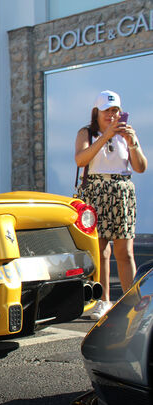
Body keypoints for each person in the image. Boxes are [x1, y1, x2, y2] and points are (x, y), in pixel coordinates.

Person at [75, 90, 147, 319]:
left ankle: (130, 301)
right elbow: (81, 159)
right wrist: (105, 136)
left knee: (125, 251)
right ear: (96, 112)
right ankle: (103, 300)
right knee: (102, 250)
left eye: (115, 110)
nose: (112, 114)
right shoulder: (87, 133)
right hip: (97, 190)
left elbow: (140, 167)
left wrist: (132, 143)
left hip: (122, 191)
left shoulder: (126, 135)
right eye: (107, 110)